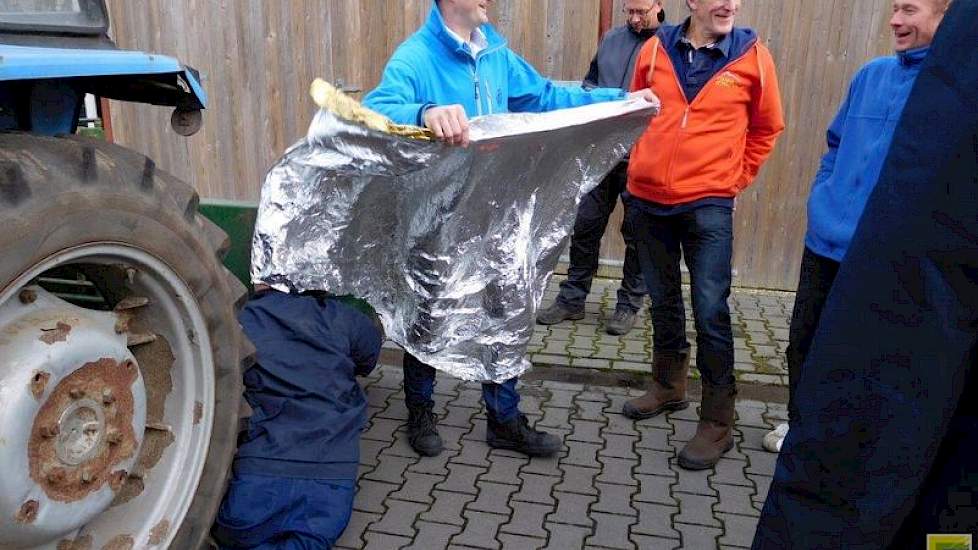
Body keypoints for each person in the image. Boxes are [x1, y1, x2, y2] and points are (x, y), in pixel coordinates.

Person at [363, 0, 657, 458]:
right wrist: (424, 112)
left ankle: (503, 419)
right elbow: (377, 108)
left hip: (497, 220)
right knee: (428, 316)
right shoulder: (416, 56)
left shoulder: (495, 53)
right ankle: (420, 410)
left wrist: (619, 99)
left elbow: (545, 96)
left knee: (506, 314)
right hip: (438, 222)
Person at [753, 0, 976, 546]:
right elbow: (834, 145)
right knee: (805, 347)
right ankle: (806, 428)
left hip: (876, 266)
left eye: (911, 10)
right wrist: (823, 199)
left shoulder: (950, 97)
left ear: (949, 19)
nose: (897, 21)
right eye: (894, 9)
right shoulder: (870, 76)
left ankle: (846, 448)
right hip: (824, 247)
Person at [620, 0, 785, 471]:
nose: (728, 4)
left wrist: (733, 179)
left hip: (708, 201)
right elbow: (635, 114)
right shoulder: (654, 50)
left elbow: (767, 128)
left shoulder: (753, 57)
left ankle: (717, 418)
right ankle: (669, 386)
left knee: (710, 307)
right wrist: (638, 166)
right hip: (648, 198)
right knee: (662, 296)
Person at [211, 288, 383, 549]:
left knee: (236, 536)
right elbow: (368, 360)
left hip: (257, 480)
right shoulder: (344, 319)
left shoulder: (242, 319)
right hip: (328, 487)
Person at [536, 0, 665, 336]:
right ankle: (572, 299)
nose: (635, 19)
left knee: (637, 234)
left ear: (659, 5)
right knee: (586, 226)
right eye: (630, 12)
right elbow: (590, 84)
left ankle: (628, 304)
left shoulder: (668, 47)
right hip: (602, 154)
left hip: (641, 156)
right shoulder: (611, 40)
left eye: (642, 12)